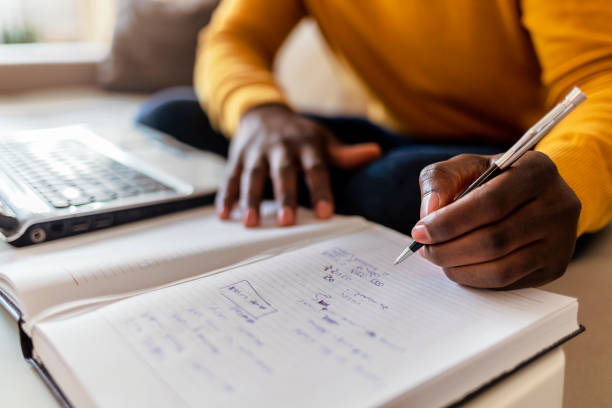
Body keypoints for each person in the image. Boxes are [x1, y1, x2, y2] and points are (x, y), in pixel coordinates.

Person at [138, 0, 612, 289]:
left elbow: (599, 81)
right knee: (168, 116)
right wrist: (260, 113)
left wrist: (566, 173)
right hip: (401, 140)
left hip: (511, 155)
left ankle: (296, 182)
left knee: (397, 183)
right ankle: (301, 170)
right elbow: (232, 37)